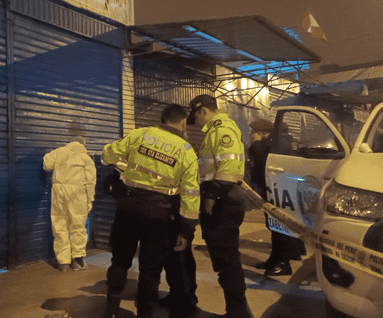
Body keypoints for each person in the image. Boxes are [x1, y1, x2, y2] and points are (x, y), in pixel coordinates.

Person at [101, 104, 200, 318]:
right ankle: (145, 314)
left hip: (128, 210)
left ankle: (110, 311)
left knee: (119, 261)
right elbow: (190, 194)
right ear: (183, 122)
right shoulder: (185, 150)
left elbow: (108, 155)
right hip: (160, 216)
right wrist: (186, 230)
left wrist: (122, 163)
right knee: (150, 270)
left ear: (162, 118)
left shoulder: (140, 134)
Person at [186, 94, 253, 318]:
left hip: (223, 203)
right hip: (221, 201)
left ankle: (238, 312)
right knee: (223, 260)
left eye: (195, 116)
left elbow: (229, 167)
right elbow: (214, 165)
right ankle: (237, 310)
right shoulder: (214, 132)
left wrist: (211, 197)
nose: (194, 121)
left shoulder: (222, 129)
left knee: (227, 261)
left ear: (203, 110)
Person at [248, 119, 303, 277]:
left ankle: (284, 263)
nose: (251, 135)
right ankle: (275, 258)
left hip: (280, 190)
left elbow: (266, 161)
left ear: (263, 132)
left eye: (254, 132)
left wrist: (256, 144)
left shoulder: (279, 142)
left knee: (280, 226)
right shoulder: (270, 142)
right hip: (271, 188)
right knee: (273, 225)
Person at [43, 136, 97, 272]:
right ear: (83, 145)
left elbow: (46, 164)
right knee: (78, 225)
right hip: (77, 193)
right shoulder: (86, 158)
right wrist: (90, 199)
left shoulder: (59, 151)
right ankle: (78, 260)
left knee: (59, 224)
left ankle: (63, 263)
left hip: (58, 190)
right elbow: (91, 181)